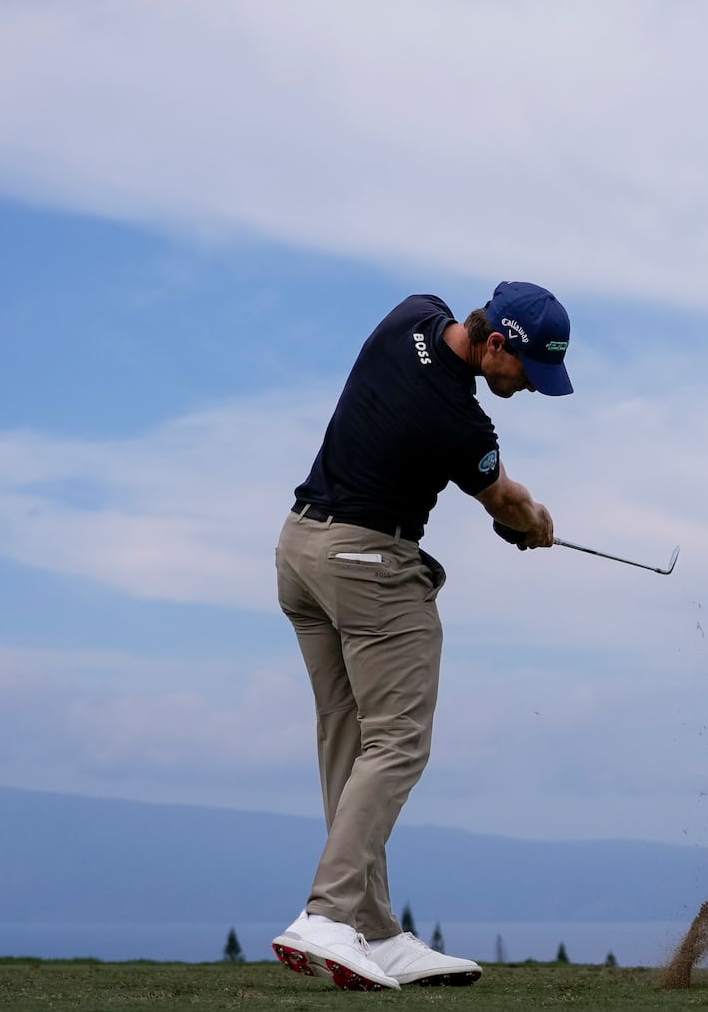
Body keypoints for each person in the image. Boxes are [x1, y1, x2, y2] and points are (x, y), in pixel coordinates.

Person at [269, 282, 571, 990]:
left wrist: (511, 513)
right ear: (497, 344)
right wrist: (532, 524)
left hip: (298, 553)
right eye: (527, 372)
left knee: (349, 739)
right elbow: (504, 500)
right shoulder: (464, 426)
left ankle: (372, 929)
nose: (528, 387)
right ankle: (327, 915)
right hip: (366, 566)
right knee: (398, 740)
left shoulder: (411, 312)